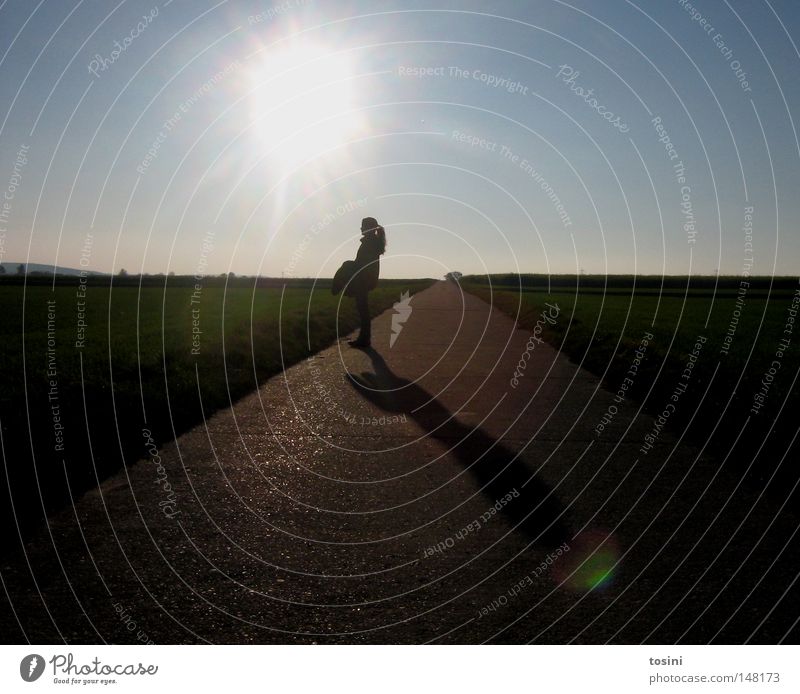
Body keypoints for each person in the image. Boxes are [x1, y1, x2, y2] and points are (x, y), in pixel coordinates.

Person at [348, 216, 386, 348]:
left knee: (363, 309)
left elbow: (363, 263)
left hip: (363, 280)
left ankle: (364, 339)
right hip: (365, 279)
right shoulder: (373, 242)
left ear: (368, 228)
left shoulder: (369, 243)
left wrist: (349, 266)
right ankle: (364, 338)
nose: (361, 228)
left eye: (363, 226)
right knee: (363, 309)